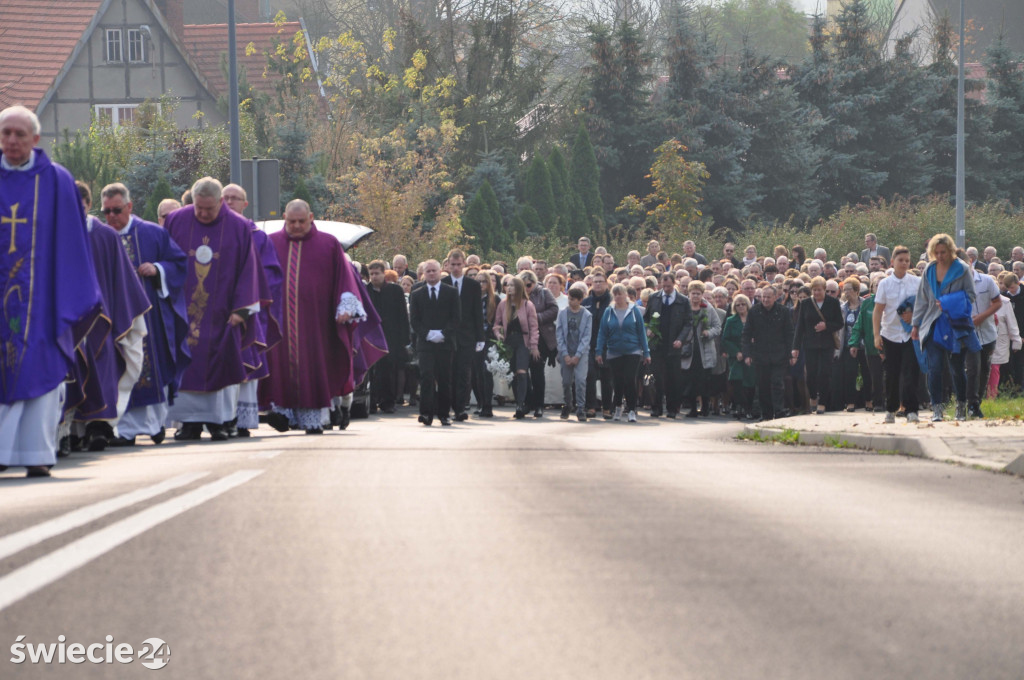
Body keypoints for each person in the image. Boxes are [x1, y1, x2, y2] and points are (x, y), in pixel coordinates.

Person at [0, 105, 108, 477]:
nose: (11, 140)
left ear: (35, 139)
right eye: (5, 133)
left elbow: (73, 245)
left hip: (43, 302)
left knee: (40, 370)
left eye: (19, 134)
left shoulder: (57, 181)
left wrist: (70, 297)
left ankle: (36, 454)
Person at [259, 200, 385, 433]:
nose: (296, 226)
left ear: (311, 217)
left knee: (314, 368)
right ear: (285, 217)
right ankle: (282, 414)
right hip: (280, 321)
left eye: (301, 221)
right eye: (291, 221)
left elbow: (345, 279)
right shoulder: (271, 242)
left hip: (317, 324)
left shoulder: (328, 244)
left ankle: (314, 419)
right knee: (279, 368)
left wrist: (345, 306)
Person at [165, 177, 263, 440]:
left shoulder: (239, 227)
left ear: (221, 202)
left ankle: (220, 421)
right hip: (183, 311)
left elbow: (248, 269)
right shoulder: (177, 220)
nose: (203, 213)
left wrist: (241, 310)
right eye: (199, 207)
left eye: (209, 208)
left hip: (223, 315)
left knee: (222, 364)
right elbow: (167, 259)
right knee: (185, 364)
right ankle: (188, 423)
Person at [100, 182, 190, 446]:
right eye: (106, 212)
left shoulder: (151, 233)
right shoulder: (103, 237)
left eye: (116, 210)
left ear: (129, 206)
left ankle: (153, 425)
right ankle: (123, 430)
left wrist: (158, 269)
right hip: (114, 317)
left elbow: (179, 263)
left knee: (151, 367)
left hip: (149, 317)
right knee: (119, 369)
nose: (111, 217)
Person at [70, 181, 150, 452]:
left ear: (89, 205)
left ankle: (98, 428)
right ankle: (70, 431)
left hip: (101, 320)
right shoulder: (57, 233)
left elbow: (122, 280)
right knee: (70, 372)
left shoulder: (106, 236)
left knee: (102, 371)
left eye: (79, 207)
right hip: (67, 318)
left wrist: (121, 314)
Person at [221, 183, 283, 437]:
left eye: (235, 199)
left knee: (246, 361)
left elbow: (271, 275)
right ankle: (219, 418)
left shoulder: (257, 237)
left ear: (245, 205)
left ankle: (242, 420)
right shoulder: (212, 232)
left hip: (247, 313)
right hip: (217, 313)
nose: (229, 202)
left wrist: (247, 297)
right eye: (225, 198)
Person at [912, 234, 978, 422]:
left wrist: (949, 302)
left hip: (955, 324)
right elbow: (921, 299)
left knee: (957, 368)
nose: (940, 256)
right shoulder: (929, 270)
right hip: (932, 323)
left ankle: (961, 406)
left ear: (950, 251)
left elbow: (971, 296)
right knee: (934, 367)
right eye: (936, 253)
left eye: (943, 252)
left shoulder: (962, 269)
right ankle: (937, 409)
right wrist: (915, 324)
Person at [873, 246, 922, 423]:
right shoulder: (885, 283)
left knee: (910, 373)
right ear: (893, 262)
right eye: (900, 260)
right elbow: (878, 311)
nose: (904, 264)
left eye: (907, 261)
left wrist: (914, 315)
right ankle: (891, 409)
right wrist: (876, 335)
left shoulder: (917, 282)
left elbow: (924, 305)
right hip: (890, 334)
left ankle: (911, 410)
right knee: (891, 374)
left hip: (911, 334)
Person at [408, 259, 459, 426]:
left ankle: (444, 414)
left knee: (445, 379)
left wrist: (443, 333)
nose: (431, 274)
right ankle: (426, 414)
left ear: (440, 272)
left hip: (445, 343)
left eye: (434, 271)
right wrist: (428, 334)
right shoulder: (417, 294)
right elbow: (414, 320)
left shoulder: (451, 292)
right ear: (423, 274)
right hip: (425, 344)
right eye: (427, 271)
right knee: (426, 378)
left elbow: (456, 318)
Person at [596, 283, 650, 422]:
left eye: (621, 293)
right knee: (617, 381)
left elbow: (641, 332)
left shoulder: (634, 311)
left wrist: (646, 352)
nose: (618, 296)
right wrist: (598, 350)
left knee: (629, 379)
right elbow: (602, 332)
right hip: (614, 351)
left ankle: (632, 409)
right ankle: (618, 407)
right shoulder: (609, 311)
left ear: (626, 295)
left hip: (633, 350)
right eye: (616, 294)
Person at [441, 249, 484, 421]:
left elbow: (477, 313)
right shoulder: (442, 283)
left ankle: (460, 408)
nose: (456, 268)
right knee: (447, 373)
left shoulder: (472, 285)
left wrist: (480, 337)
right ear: (448, 264)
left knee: (463, 373)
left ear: (464, 264)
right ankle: (448, 406)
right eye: (453, 264)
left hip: (467, 336)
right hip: (447, 336)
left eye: (459, 264)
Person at [643, 271, 692, 418]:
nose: (666, 289)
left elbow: (688, 323)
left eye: (669, 286)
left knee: (673, 378)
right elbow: (646, 319)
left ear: (674, 284)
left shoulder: (683, 300)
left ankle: (672, 408)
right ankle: (656, 407)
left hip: (674, 345)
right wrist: (648, 329)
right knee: (656, 377)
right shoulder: (654, 298)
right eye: (664, 286)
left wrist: (681, 339)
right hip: (657, 345)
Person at [743, 285, 793, 421]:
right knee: (763, 386)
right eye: (763, 297)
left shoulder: (784, 311)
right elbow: (746, 334)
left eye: (768, 297)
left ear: (775, 297)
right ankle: (766, 414)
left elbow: (789, 334)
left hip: (779, 355)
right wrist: (747, 354)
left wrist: (791, 354)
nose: (765, 299)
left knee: (777, 384)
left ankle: (779, 412)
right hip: (760, 355)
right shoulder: (754, 311)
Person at [793, 276, 843, 414]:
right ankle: (813, 397)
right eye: (814, 290)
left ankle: (823, 402)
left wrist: (826, 326)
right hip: (810, 344)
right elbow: (800, 327)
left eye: (819, 290)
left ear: (825, 290)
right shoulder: (806, 304)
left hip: (827, 344)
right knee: (811, 374)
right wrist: (795, 347)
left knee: (825, 373)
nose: (816, 293)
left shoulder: (833, 303)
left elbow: (839, 323)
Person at [367, 260, 410, 414]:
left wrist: (404, 339)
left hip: (390, 336)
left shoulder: (395, 290)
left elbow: (402, 315)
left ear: (383, 273)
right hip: (371, 337)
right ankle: (371, 401)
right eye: (371, 274)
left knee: (389, 370)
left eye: (377, 273)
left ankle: (388, 402)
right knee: (371, 372)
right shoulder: (365, 290)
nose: (374, 277)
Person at [494, 276, 539, 419]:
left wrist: (534, 346)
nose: (509, 287)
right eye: (507, 285)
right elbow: (497, 324)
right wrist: (498, 333)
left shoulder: (527, 305)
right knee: (513, 373)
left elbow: (533, 327)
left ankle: (520, 404)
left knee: (521, 372)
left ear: (519, 288)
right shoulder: (503, 304)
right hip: (508, 342)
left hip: (522, 341)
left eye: (512, 285)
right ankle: (522, 403)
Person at [681, 280, 721, 418]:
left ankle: (705, 408)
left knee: (704, 380)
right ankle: (693, 408)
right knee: (690, 380)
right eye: (693, 293)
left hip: (704, 350)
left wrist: (708, 333)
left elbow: (717, 326)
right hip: (689, 350)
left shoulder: (708, 308)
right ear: (689, 293)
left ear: (702, 294)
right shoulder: (684, 307)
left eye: (698, 294)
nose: (695, 296)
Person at [520, 269, 557, 418]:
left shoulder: (544, 293)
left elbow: (554, 309)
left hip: (541, 338)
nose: (527, 288)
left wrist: (536, 317)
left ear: (534, 283)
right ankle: (528, 402)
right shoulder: (517, 294)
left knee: (537, 371)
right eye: (524, 285)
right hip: (522, 337)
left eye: (529, 285)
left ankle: (539, 405)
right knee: (522, 372)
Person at [966, 265, 1002, 418]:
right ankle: (971, 404)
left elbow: (997, 303)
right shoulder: (954, 284)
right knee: (973, 368)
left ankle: (977, 402)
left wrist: (982, 317)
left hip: (987, 333)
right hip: (967, 333)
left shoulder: (986, 281)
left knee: (984, 369)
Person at [555, 286, 592, 421]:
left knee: (581, 380)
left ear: (580, 300)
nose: (571, 302)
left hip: (580, 353)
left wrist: (577, 355)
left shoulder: (587, 315)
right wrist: (564, 354)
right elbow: (559, 335)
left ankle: (581, 407)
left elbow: (586, 337)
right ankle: (568, 404)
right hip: (566, 352)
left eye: (574, 300)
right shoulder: (562, 313)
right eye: (570, 299)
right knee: (566, 381)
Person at [849, 276, 883, 412]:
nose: (880, 288)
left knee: (892, 375)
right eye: (877, 285)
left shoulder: (894, 301)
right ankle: (879, 403)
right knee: (876, 377)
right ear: (872, 288)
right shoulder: (868, 303)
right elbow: (859, 325)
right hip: (872, 346)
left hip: (892, 346)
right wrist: (854, 343)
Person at [582, 269, 613, 419]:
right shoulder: (586, 302)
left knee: (607, 378)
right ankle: (591, 406)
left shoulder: (612, 302)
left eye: (601, 281)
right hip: (589, 345)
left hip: (608, 346)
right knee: (590, 376)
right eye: (595, 282)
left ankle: (607, 407)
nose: (598, 284)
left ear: (607, 284)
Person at [838, 276, 869, 412]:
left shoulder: (866, 305)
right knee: (849, 374)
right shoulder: (842, 308)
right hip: (849, 346)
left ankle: (869, 400)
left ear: (856, 290)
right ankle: (850, 402)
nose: (846, 292)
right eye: (844, 290)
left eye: (849, 289)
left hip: (865, 346)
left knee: (868, 373)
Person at [723, 294, 756, 419]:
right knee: (736, 380)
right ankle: (740, 405)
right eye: (738, 305)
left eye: (743, 304)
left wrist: (750, 352)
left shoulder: (754, 320)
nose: (741, 307)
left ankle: (748, 408)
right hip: (736, 357)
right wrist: (736, 352)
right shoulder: (731, 321)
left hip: (751, 356)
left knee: (750, 383)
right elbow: (725, 339)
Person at [473, 270, 499, 417]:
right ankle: (480, 402)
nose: (481, 284)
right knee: (476, 373)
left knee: (486, 372)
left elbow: (498, 320)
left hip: (489, 338)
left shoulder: (494, 299)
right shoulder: (472, 298)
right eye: (479, 281)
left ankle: (488, 406)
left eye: (484, 281)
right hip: (475, 339)